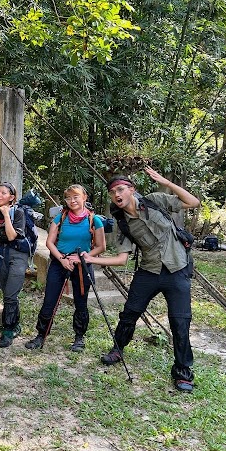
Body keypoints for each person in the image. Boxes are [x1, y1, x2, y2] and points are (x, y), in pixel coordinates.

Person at [81, 167, 200, 392]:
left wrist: (166, 181)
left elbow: (193, 202)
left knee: (180, 321)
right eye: (112, 192)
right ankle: (118, 348)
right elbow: (121, 259)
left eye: (120, 189)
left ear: (131, 190)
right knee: (130, 313)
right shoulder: (122, 222)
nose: (116, 194)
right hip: (149, 271)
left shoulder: (155, 200)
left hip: (178, 269)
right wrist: (91, 260)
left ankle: (183, 372)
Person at [25, 185, 106, 351]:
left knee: (80, 301)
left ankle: (79, 337)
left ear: (85, 197)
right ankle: (41, 335)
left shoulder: (94, 219)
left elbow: (101, 246)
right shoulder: (61, 218)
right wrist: (62, 259)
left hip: (82, 264)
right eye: (68, 198)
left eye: (76, 196)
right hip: (59, 262)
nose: (72, 201)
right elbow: (49, 242)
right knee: (50, 299)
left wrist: (81, 257)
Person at [0, 182, 30, 348]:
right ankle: (16, 324)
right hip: (2, 254)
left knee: (10, 294)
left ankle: (8, 330)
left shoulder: (18, 212)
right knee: (6, 291)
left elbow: (11, 236)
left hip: (18, 255)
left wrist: (6, 215)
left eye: (3, 193)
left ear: (12, 197)